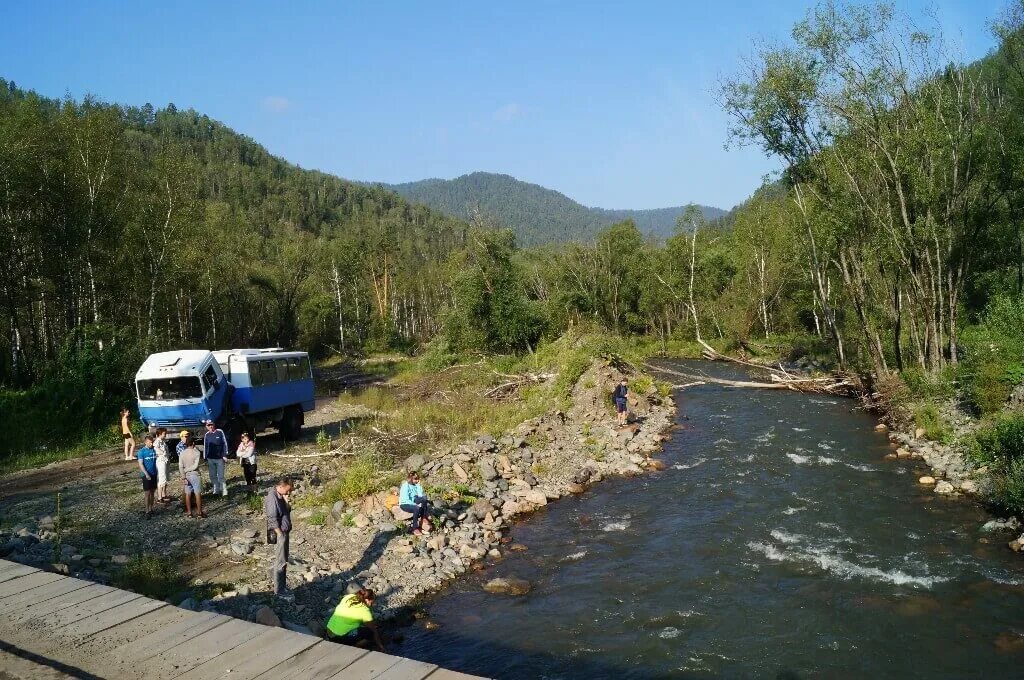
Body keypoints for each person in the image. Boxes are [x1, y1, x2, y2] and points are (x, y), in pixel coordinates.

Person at [265, 477, 294, 601]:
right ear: (281, 486)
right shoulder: (272, 498)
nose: (288, 493)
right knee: (280, 562)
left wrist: (286, 501)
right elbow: (271, 518)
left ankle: (282, 587)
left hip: (284, 532)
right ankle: (279, 591)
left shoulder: (280, 496)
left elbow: (286, 512)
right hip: (280, 533)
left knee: (284, 561)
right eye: (287, 491)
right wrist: (280, 534)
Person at [178, 437, 205, 518]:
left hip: (186, 476)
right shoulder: (196, 452)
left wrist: (183, 476)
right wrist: (187, 470)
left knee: (188, 494)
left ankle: (189, 513)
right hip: (195, 474)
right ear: (193, 443)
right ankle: (199, 513)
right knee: (197, 493)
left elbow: (180, 466)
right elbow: (195, 466)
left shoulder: (182, 453)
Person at [399, 471, 432, 536]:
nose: (417, 480)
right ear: (411, 479)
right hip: (404, 504)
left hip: (413, 500)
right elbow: (405, 499)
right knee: (416, 508)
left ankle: (423, 517)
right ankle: (415, 528)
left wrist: (419, 486)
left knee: (424, 499)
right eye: (415, 479)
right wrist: (415, 505)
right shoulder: (405, 486)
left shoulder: (415, 485)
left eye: (418, 479)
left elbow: (420, 495)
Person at [203, 420, 229, 497]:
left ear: (214, 424)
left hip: (220, 458)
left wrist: (225, 454)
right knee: (212, 476)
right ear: (206, 426)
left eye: (211, 424)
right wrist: (205, 457)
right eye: (208, 425)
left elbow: (224, 443)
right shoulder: (207, 435)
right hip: (210, 458)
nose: (210, 426)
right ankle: (216, 490)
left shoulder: (220, 432)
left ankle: (224, 491)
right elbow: (205, 446)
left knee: (221, 476)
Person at [137, 435, 158, 518]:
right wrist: (146, 474)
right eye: (150, 442)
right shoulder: (141, 452)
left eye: (152, 442)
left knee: (153, 492)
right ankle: (147, 511)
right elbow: (140, 464)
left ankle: (151, 508)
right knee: (147, 493)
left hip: (154, 474)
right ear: (145, 442)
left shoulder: (153, 450)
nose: (151, 443)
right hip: (146, 474)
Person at [154, 427, 171, 503]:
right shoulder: (157, 441)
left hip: (165, 461)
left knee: (165, 477)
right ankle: (159, 497)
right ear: (159, 434)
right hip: (161, 461)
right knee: (162, 478)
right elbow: (155, 448)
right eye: (164, 433)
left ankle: (164, 495)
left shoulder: (163, 441)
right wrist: (162, 452)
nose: (165, 434)